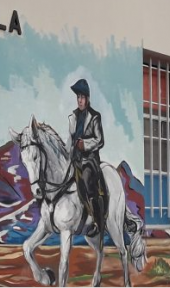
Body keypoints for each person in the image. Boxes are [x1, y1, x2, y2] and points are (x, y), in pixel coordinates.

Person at [68, 78, 108, 238]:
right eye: (78, 97)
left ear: (88, 98)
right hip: (75, 159)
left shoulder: (94, 117)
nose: (79, 100)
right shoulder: (73, 117)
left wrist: (84, 144)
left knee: (86, 180)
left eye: (82, 97)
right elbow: (69, 139)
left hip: (90, 160)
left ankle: (98, 222)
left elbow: (100, 140)